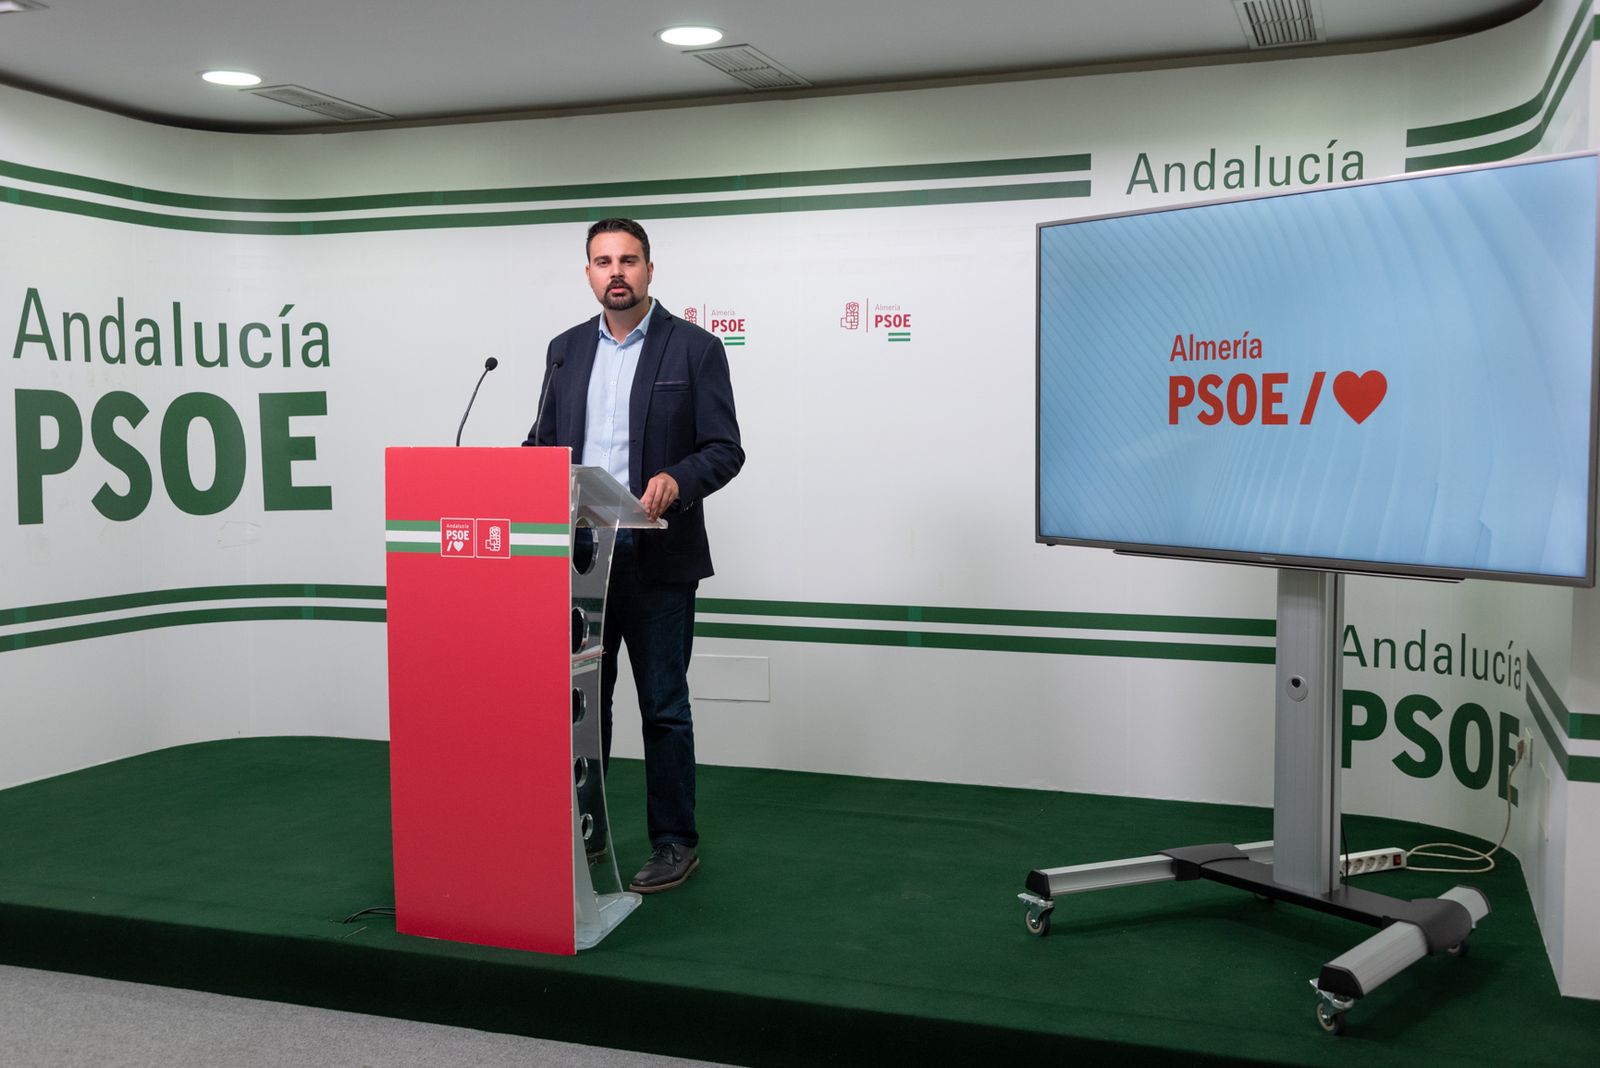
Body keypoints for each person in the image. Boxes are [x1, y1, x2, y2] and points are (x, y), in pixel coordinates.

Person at [524, 218, 744, 893]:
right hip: (581, 560)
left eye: (628, 260)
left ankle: (676, 841)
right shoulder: (564, 352)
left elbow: (724, 449)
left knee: (664, 708)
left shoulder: (694, 349)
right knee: (583, 709)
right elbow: (541, 445)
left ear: (650, 269)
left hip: (658, 561)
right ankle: (583, 837)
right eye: (602, 261)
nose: (615, 273)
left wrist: (677, 482)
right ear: (587, 273)